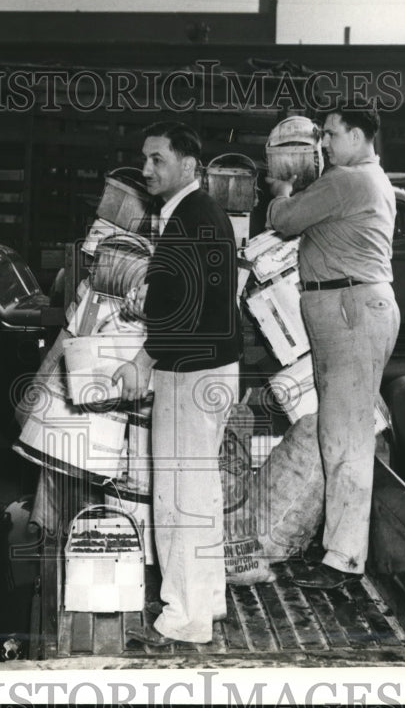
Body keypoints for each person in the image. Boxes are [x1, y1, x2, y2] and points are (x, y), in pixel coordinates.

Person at [113, 121, 241, 646]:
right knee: (202, 495)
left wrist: (141, 360)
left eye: (157, 159)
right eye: (145, 159)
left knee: (178, 500)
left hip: (189, 375)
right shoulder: (199, 214)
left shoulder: (189, 217)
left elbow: (184, 309)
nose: (146, 169)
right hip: (211, 370)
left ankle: (186, 617)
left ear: (188, 165)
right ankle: (208, 599)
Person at [263, 105, 400, 590]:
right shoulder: (367, 178)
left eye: (331, 134)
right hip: (350, 308)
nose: (323, 142)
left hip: (351, 311)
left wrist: (281, 193)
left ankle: (343, 560)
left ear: (358, 136)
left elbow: (286, 219)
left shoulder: (348, 180)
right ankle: (336, 548)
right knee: (340, 432)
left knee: (346, 439)